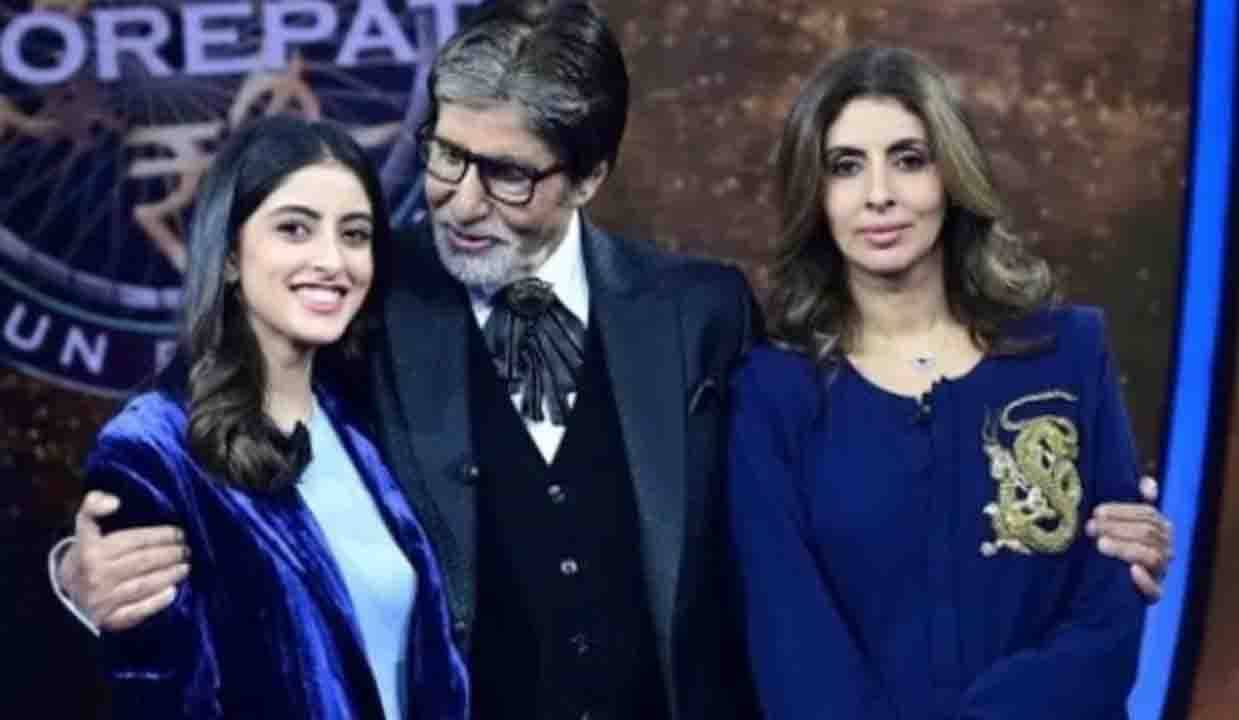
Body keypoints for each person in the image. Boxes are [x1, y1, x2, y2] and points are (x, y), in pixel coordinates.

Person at [52, 3, 1173, 718]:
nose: (459, 200)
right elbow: (208, 407)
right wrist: (81, 569)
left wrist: (1075, 518)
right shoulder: (369, 294)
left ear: (588, 178)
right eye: (444, 154)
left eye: (508, 174)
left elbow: (852, 480)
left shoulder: (700, 312)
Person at [728, 45, 1151, 719]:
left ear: (952, 175)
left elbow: (1111, 610)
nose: (879, 195)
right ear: (816, 194)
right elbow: (792, 645)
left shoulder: (1069, 355)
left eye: (908, 159)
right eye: (845, 166)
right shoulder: (773, 394)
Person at [79, 115, 468, 719]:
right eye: (295, 229)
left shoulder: (362, 428)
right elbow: (158, 695)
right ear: (230, 256)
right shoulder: (151, 446)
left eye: (355, 234)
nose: (332, 261)